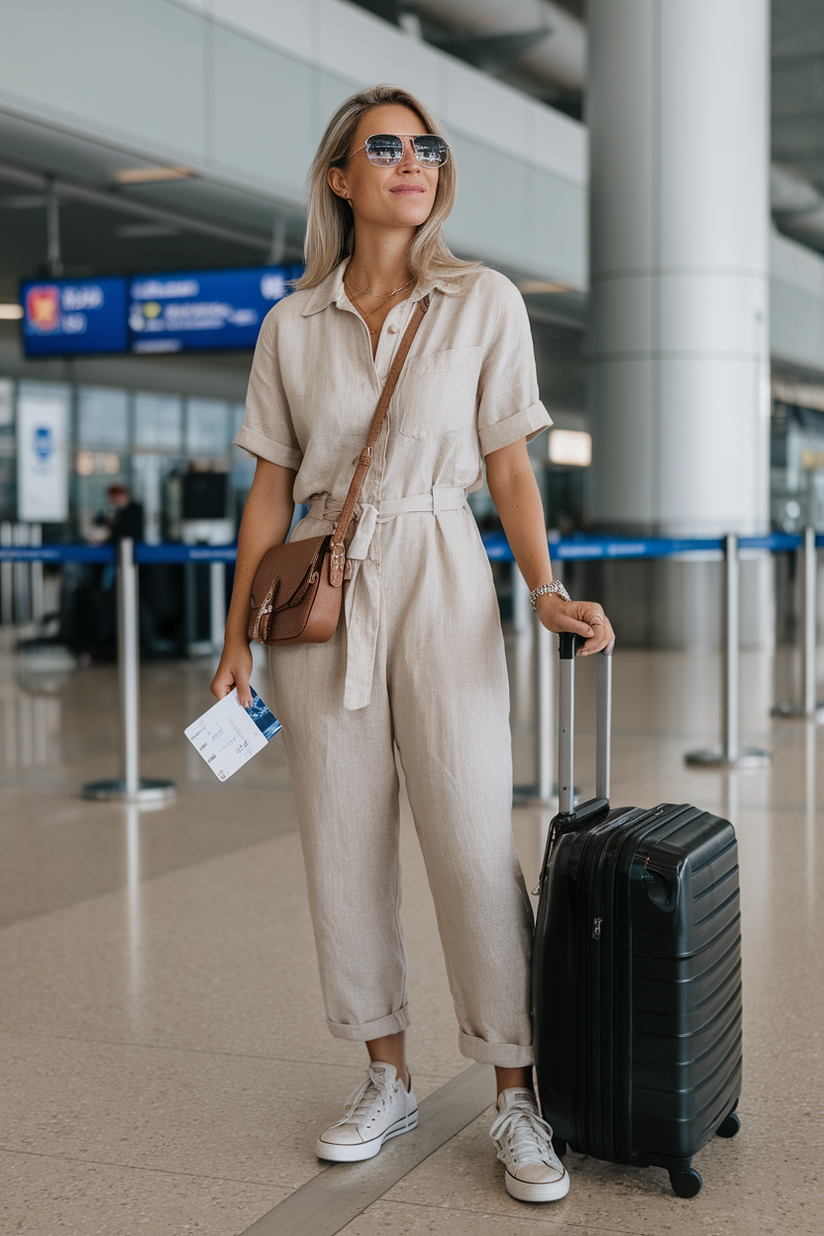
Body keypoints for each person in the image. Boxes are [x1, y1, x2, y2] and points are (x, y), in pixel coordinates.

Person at [212, 84, 614, 1205]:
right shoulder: (289, 325)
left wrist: (544, 590)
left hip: (440, 567)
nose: (409, 161)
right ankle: (381, 1073)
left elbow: (507, 466)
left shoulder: (479, 300)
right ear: (339, 177)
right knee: (341, 843)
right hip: (320, 595)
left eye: (424, 146)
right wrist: (235, 634)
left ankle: (513, 1093)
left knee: (468, 838)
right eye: (381, 148)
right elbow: (268, 491)